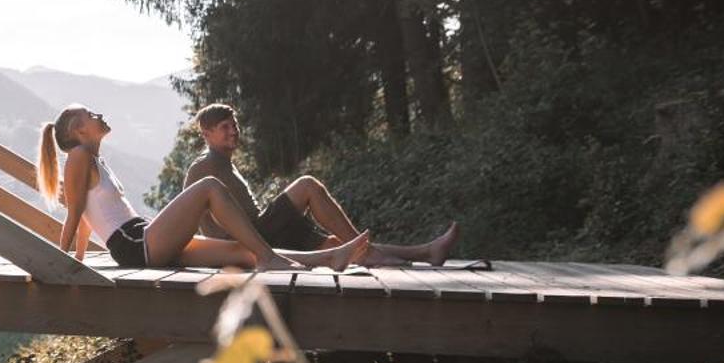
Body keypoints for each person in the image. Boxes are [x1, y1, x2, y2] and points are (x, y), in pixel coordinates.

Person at [37, 105, 369, 272]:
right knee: (208, 186)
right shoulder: (79, 156)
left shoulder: (92, 159)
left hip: (143, 237)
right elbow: (76, 211)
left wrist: (78, 259)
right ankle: (268, 256)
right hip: (135, 244)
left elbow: (86, 217)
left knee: (241, 254)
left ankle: (329, 257)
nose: (100, 115)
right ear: (80, 130)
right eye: (92, 114)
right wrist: (58, 261)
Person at [183, 103, 460, 268]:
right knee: (307, 186)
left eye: (234, 125)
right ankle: (370, 254)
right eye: (224, 127)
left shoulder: (225, 162)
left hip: (265, 235)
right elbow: (186, 213)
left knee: (335, 244)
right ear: (207, 134)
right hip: (248, 242)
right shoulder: (203, 166)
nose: (233, 131)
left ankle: (426, 251)